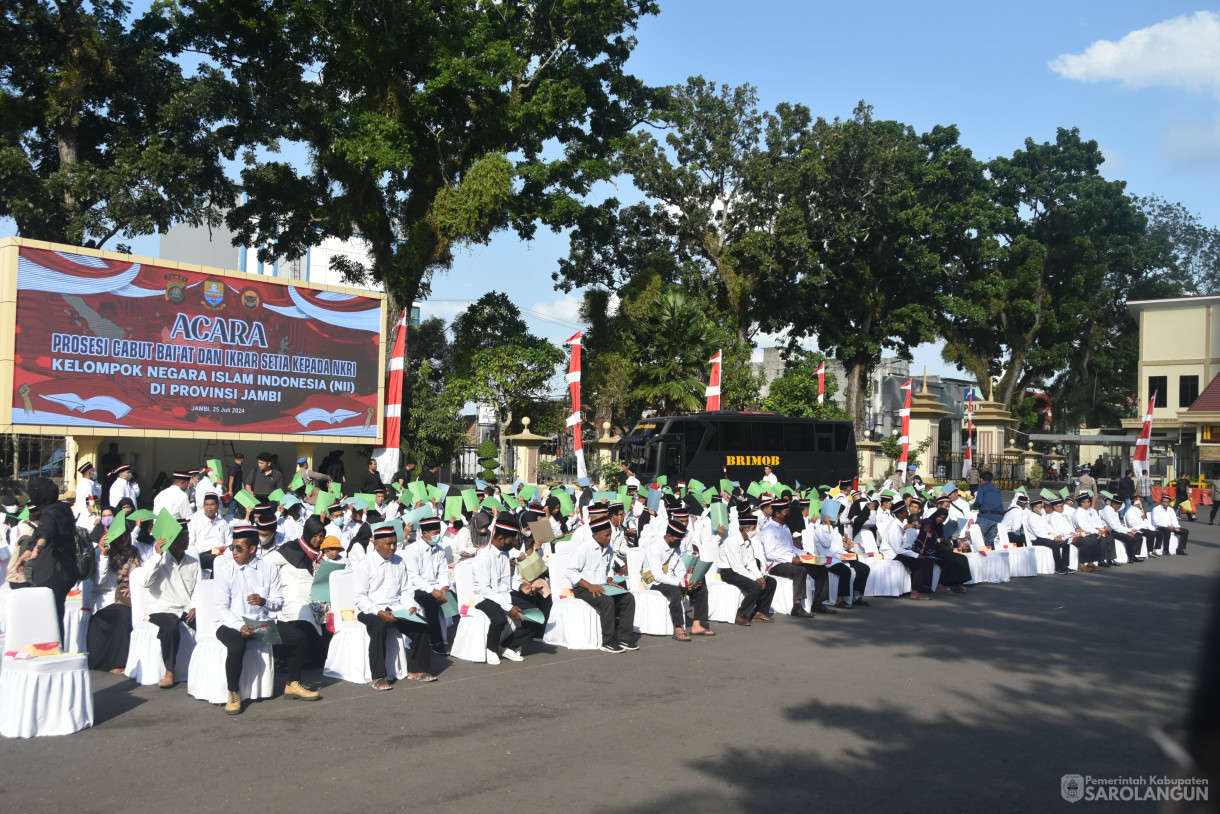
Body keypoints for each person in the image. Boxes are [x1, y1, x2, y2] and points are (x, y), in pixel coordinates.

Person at [212, 526, 321, 714]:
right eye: (232, 547)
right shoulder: (226, 571)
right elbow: (221, 609)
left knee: (299, 637)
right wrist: (240, 626)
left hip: (259, 623)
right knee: (237, 646)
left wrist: (264, 602)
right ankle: (233, 692)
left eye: (239, 548)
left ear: (252, 549)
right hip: (230, 624)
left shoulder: (268, 569)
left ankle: (293, 684)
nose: (234, 552)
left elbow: (278, 603)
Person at [352, 524, 437, 689]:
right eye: (388, 544)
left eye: (394, 543)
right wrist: (379, 612)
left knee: (421, 624)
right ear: (375, 544)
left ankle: (417, 670)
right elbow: (361, 598)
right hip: (370, 608)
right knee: (379, 627)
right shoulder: (365, 565)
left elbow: (405, 590)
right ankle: (377, 677)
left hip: (395, 605)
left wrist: (411, 606)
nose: (392, 548)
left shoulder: (399, 561)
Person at [471, 515, 546, 664]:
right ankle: (491, 649)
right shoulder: (484, 557)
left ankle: (506, 647)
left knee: (536, 616)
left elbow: (506, 581)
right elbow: (486, 590)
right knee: (499, 619)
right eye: (510, 541)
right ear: (500, 539)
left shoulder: (504, 554)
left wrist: (521, 586)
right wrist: (509, 607)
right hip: (485, 598)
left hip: (504, 594)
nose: (512, 545)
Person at [15, 477, 80, 639]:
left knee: (49, 615)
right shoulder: (62, 509)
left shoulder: (49, 514)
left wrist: (37, 548)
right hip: (66, 570)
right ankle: (56, 649)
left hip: (53, 571)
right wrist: (26, 553)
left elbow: (46, 533)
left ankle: (51, 651)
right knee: (56, 612)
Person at [567, 516, 640, 653]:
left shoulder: (608, 549)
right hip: (584, 588)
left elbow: (609, 567)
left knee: (628, 598)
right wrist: (590, 586)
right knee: (607, 601)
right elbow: (571, 573)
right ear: (595, 535)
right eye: (606, 535)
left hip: (602, 585)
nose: (609, 538)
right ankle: (608, 641)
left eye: (610, 534)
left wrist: (610, 579)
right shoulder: (583, 549)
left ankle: (624, 638)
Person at [143, 520, 200, 688]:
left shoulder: (194, 562)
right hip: (162, 608)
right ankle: (170, 671)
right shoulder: (158, 560)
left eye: (187, 535)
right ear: (171, 540)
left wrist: (195, 607)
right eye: (182, 536)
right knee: (170, 628)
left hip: (185, 608)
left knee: (210, 624)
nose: (186, 539)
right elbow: (146, 582)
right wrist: (157, 555)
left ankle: (207, 668)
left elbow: (198, 588)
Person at [758, 497, 832, 617]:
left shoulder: (786, 528)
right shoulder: (769, 530)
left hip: (791, 560)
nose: (789, 514)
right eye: (786, 512)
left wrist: (805, 553)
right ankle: (797, 607)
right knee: (800, 571)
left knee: (821, 569)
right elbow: (770, 554)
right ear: (777, 514)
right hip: (776, 565)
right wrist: (791, 560)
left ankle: (818, 603)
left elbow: (792, 548)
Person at [88, 514, 142, 672]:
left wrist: (133, 587)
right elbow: (99, 581)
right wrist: (104, 556)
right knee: (123, 615)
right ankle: (117, 663)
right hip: (106, 599)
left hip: (128, 597)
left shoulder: (133, 552)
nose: (123, 539)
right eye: (119, 535)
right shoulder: (101, 553)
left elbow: (139, 575)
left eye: (126, 534)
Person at [644, 521, 711, 641]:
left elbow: (679, 570)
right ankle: (678, 627)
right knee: (675, 592)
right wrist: (680, 584)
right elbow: (658, 575)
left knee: (701, 589)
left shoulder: (676, 547)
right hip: (654, 582)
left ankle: (697, 625)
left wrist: (689, 581)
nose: (680, 542)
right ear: (669, 536)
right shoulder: (654, 547)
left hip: (673, 579)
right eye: (678, 539)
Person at [404, 515, 453, 656]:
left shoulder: (439, 549)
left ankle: (447, 638)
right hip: (417, 588)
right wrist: (433, 591)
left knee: (451, 597)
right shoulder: (412, 550)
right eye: (435, 533)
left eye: (438, 532)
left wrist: (444, 586)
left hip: (436, 586)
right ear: (425, 534)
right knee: (431, 603)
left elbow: (443, 571)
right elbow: (414, 578)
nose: (438, 535)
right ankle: (436, 642)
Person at [716, 514, 776, 625]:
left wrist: (759, 577)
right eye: (754, 528)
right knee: (755, 587)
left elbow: (751, 562)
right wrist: (755, 579)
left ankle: (760, 612)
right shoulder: (732, 541)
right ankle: (740, 615)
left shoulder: (748, 541)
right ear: (745, 529)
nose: (756, 530)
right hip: (729, 572)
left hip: (742, 570)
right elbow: (737, 566)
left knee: (771, 582)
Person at [810, 501, 869, 608]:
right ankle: (840, 599)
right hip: (828, 560)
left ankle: (855, 596)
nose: (839, 516)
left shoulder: (835, 529)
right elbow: (826, 544)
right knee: (845, 571)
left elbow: (839, 548)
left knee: (864, 568)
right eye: (838, 514)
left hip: (839, 557)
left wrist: (846, 551)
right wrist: (827, 525)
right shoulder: (819, 529)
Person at [187, 493, 232, 570]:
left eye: (212, 505)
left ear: (218, 506)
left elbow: (229, 542)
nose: (209, 507)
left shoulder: (223, 523)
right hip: (205, 554)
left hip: (223, 552)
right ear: (203, 506)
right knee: (219, 561)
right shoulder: (195, 522)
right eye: (206, 505)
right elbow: (190, 543)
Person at [1099, 494, 1145, 563]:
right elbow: (1114, 526)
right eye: (1118, 506)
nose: (1119, 508)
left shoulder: (1114, 510)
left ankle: (1134, 555)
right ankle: (1130, 557)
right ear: (1113, 504)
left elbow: (1119, 525)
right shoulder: (1107, 511)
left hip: (1118, 529)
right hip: (1111, 531)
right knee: (1128, 538)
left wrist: (1129, 530)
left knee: (1138, 537)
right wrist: (1126, 532)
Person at [971, 471, 1004, 548]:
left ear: (981, 479)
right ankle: (991, 557)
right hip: (998, 518)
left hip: (986, 516)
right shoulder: (996, 490)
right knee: (989, 541)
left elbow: (979, 501)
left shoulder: (981, 488)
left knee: (975, 537)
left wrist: (972, 506)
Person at [74, 461, 102, 528]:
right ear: (89, 473)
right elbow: (91, 502)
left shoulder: (90, 483)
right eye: (94, 471)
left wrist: (96, 481)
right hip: (87, 518)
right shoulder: (86, 485)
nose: (95, 473)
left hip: (88, 516)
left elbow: (98, 495)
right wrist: (98, 516)